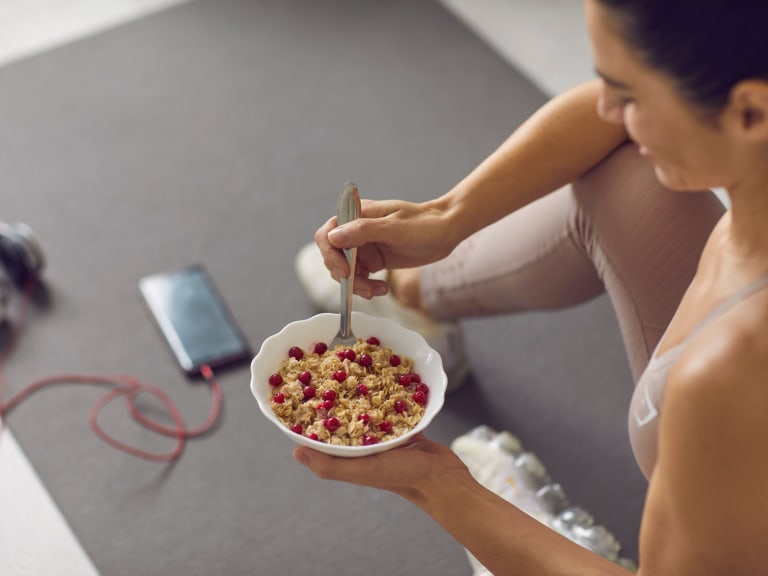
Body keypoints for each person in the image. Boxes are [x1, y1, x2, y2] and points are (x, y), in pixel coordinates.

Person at [292, 0, 768, 573]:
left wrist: (441, 488)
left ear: (749, 112)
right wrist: (447, 216)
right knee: (629, 175)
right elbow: (603, 119)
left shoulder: (730, 375)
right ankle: (415, 293)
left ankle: (554, 535)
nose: (608, 106)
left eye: (629, 94)